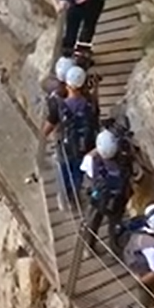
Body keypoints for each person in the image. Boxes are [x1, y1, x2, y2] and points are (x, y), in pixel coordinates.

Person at [41, 65, 98, 205]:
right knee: (77, 173)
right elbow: (96, 112)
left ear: (67, 85)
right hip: (85, 146)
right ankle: (75, 194)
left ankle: (66, 198)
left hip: (66, 147)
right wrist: (96, 89)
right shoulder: (89, 103)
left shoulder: (60, 106)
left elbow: (46, 130)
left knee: (64, 172)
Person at [80, 130, 132, 248]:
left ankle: (89, 246)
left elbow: (86, 171)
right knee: (114, 225)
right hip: (117, 200)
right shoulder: (123, 162)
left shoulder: (92, 160)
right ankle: (115, 248)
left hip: (98, 197)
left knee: (93, 221)